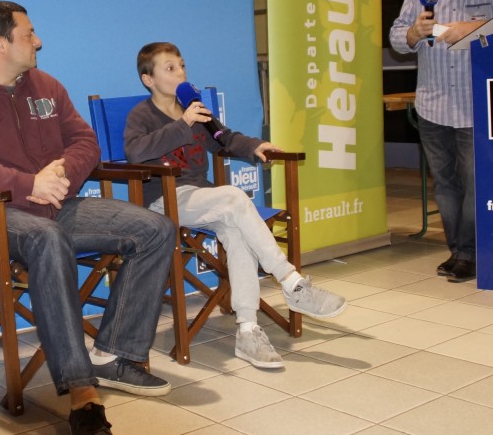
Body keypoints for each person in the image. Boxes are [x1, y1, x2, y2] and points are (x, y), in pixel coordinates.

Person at [0, 0, 177, 435]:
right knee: (46, 239)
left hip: (58, 207)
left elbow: (85, 142)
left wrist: (60, 173)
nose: (38, 41)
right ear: (0, 44)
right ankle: (82, 395)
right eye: (29, 34)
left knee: (155, 228)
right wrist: (27, 183)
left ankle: (114, 355)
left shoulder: (46, 86)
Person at [122, 42, 347, 370]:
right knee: (234, 198)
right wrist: (183, 124)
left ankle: (247, 330)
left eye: (182, 65)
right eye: (170, 68)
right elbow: (135, 153)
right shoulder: (142, 115)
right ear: (149, 79)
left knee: (237, 231)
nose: (181, 72)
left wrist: (255, 146)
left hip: (203, 199)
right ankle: (291, 281)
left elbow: (225, 138)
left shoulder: (194, 108)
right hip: (164, 200)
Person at [388, 0, 493, 283]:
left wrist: (473, 27)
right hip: (433, 104)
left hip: (477, 103)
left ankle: (472, 253)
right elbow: (397, 37)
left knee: (475, 181)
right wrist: (415, 32)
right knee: (445, 184)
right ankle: (458, 251)